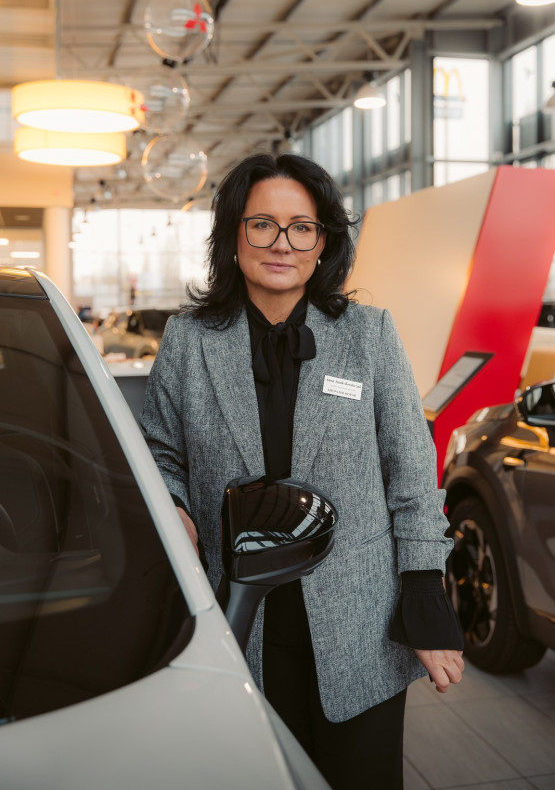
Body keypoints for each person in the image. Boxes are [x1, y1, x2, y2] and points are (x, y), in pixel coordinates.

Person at [140, 152, 464, 790]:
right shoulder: (189, 340)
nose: (281, 243)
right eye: (262, 224)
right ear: (234, 236)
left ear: (324, 243)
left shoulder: (369, 335)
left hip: (359, 623)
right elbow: (161, 452)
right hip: (239, 616)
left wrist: (425, 592)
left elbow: (411, 471)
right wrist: (173, 505)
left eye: (301, 227)